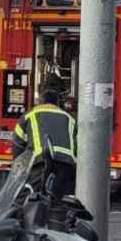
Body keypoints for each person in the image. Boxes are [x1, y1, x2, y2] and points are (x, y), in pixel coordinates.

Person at [12, 89, 77, 231]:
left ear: (40, 102)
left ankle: (15, 233)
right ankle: (58, 235)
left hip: (41, 163)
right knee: (60, 204)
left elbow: (17, 143)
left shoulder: (29, 115)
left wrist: (18, 169)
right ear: (57, 103)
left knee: (23, 200)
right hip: (66, 165)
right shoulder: (69, 118)